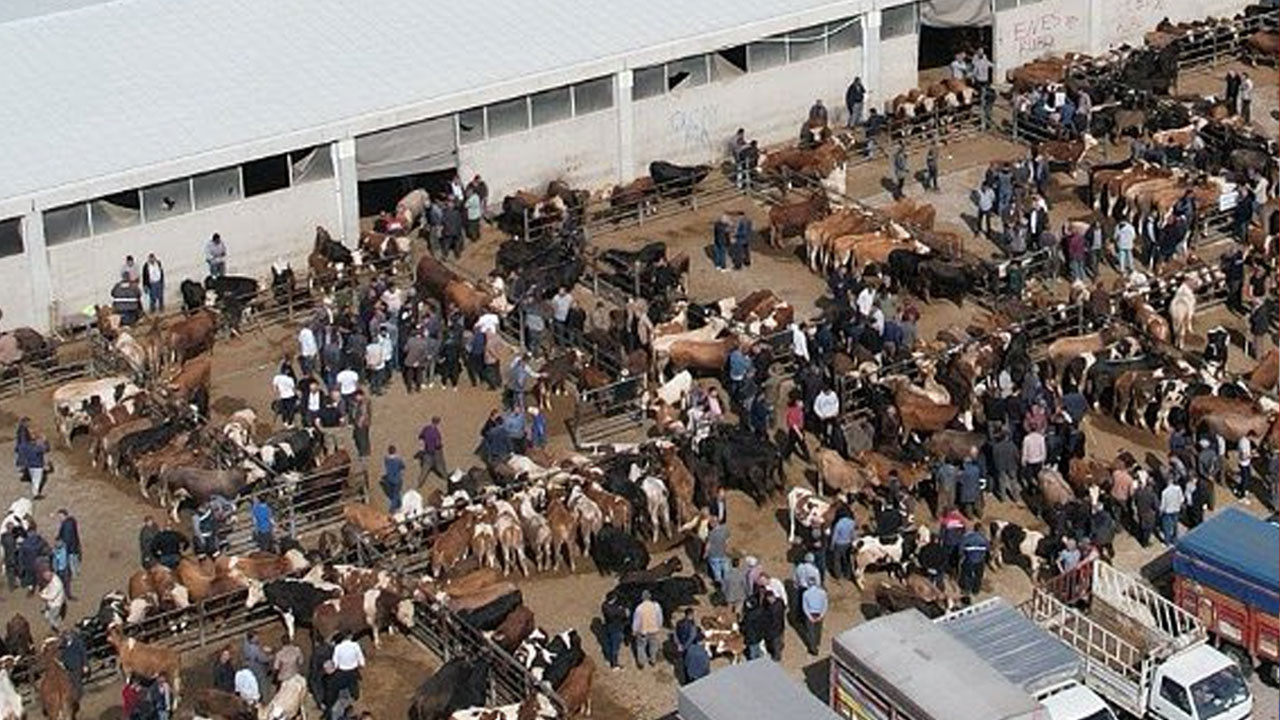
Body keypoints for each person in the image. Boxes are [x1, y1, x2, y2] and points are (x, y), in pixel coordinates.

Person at [631, 590, 664, 668]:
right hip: (654, 630)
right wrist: (659, 626)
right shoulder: (656, 606)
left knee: (640, 646)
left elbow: (636, 621)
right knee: (653, 645)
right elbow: (660, 618)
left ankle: (641, 662)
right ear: (650, 597)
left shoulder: (639, 608)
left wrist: (634, 630)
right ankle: (653, 660)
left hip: (643, 631)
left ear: (642, 598)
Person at [331, 632, 365, 701]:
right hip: (353, 670)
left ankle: (343, 697)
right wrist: (362, 664)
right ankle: (355, 696)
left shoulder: (338, 647)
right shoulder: (355, 645)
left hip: (342, 670)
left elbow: (335, 661)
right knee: (353, 684)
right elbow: (360, 656)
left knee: (342, 686)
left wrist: (336, 666)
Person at [958, 524, 989, 597]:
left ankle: (966, 590)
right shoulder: (984, 539)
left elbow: (961, 548)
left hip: (969, 559)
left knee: (966, 574)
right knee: (978, 576)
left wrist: (962, 556)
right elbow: (987, 549)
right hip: (980, 560)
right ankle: (976, 590)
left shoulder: (968, 537)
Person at [417, 417, 448, 487]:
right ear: (438, 423)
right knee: (440, 465)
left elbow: (421, 436)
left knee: (425, 468)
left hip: (426, 451)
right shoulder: (436, 433)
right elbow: (438, 444)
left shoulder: (426, 428)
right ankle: (445, 477)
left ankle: (420, 482)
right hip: (435, 452)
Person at [600, 595, 628, 671]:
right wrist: (621, 610)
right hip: (616, 628)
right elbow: (622, 616)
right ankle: (614, 664)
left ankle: (609, 659)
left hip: (609, 627)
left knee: (609, 644)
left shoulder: (604, 605)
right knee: (615, 646)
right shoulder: (616, 610)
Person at [800, 582, 828, 656]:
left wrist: (809, 617)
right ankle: (817, 643)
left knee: (811, 632)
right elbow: (825, 604)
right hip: (819, 613)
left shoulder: (805, 593)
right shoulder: (822, 592)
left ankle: (813, 648)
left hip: (810, 613)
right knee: (818, 630)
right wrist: (821, 615)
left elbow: (804, 606)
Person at [18, 433, 49, 499]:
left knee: (34, 479)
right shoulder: (37, 447)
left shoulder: (27, 446)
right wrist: (46, 441)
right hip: (37, 466)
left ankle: (34, 491)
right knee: (37, 480)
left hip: (30, 466)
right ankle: (36, 494)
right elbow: (46, 449)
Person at [829, 512, 856, 581]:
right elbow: (853, 533)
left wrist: (832, 545)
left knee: (837, 560)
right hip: (848, 543)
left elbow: (835, 536)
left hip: (839, 544)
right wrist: (853, 541)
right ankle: (847, 574)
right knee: (847, 559)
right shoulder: (852, 522)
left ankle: (838, 575)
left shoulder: (838, 524)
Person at [381, 445, 405, 513]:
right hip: (397, 479)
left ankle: (400, 504)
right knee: (395, 494)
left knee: (395, 492)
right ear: (395, 451)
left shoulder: (386, 459)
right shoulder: (398, 460)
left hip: (389, 479)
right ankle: (392, 509)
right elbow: (403, 466)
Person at [1159, 479, 1184, 544]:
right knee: (1175, 525)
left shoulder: (1164, 492)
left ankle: (1167, 541)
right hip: (1176, 509)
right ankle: (1175, 539)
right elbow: (1181, 499)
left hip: (1168, 511)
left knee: (1167, 527)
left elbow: (1163, 505)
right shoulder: (1178, 489)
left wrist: (1160, 512)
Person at [351, 390, 372, 462]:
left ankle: (363, 455)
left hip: (361, 424)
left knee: (361, 439)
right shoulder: (364, 402)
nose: (355, 398)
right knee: (365, 438)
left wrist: (359, 422)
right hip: (365, 423)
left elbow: (363, 413)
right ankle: (367, 452)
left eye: (357, 396)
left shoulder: (363, 403)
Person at [1237, 430, 1255, 499]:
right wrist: (1252, 455)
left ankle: (1239, 489)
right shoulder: (1243, 443)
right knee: (1245, 479)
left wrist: (1251, 452)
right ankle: (1242, 496)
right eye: (1252, 437)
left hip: (1247, 463)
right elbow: (1243, 456)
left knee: (1247, 477)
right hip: (1243, 463)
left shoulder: (1246, 441)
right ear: (1250, 435)